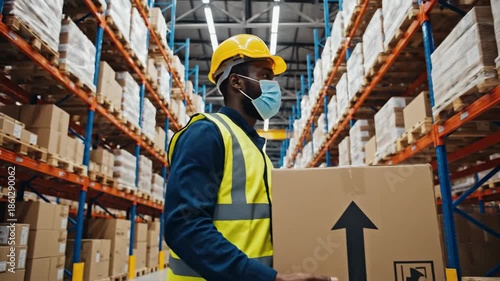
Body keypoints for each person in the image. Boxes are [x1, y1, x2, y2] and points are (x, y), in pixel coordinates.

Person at [164, 34, 337, 281]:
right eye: (265, 75)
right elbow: (184, 226)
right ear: (237, 82)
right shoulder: (206, 134)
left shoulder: (254, 150)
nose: (273, 86)